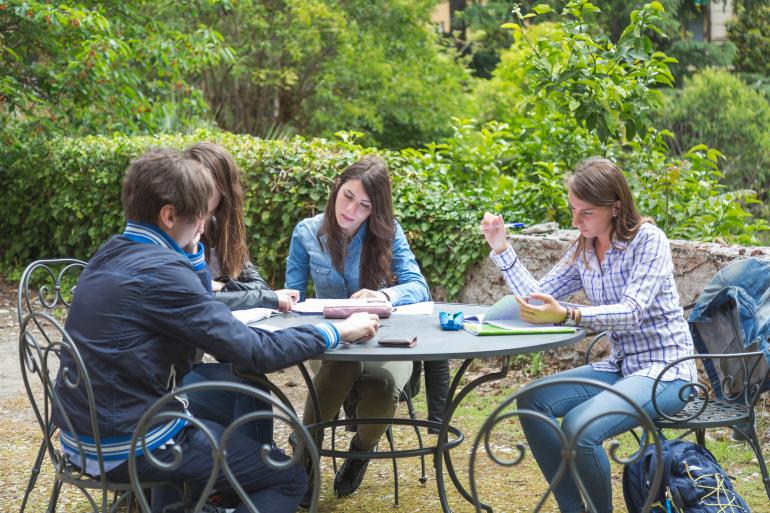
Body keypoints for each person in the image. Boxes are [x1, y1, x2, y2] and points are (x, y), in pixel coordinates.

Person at [51, 148, 380, 513]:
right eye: (203, 215)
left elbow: (199, 302)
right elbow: (257, 352)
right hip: (135, 442)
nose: (206, 225)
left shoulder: (111, 252)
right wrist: (338, 332)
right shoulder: (162, 274)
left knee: (211, 422)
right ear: (169, 215)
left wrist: (192, 254)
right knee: (288, 478)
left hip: (83, 435)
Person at [480, 157, 696, 513]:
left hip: (667, 371)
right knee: (532, 400)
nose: (575, 221)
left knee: (581, 427)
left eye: (585, 213)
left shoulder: (649, 241)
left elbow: (631, 312)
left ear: (615, 207)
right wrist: (502, 248)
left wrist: (568, 313)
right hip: (621, 366)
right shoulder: (584, 247)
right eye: (573, 210)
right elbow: (538, 299)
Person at [285, 155, 448, 498]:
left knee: (382, 383)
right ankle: (305, 455)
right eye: (347, 196)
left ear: (374, 210)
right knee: (340, 370)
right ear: (336, 189)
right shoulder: (306, 232)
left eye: (364, 205)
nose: (351, 210)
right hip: (333, 339)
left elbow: (419, 287)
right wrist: (288, 303)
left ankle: (360, 452)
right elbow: (293, 299)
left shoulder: (387, 233)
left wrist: (384, 294)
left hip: (386, 338)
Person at [182, 142, 297, 446]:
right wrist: (266, 298)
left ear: (222, 192)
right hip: (160, 383)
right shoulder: (174, 232)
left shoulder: (215, 230)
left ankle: (248, 473)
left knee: (246, 376)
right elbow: (198, 301)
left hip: (185, 363)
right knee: (248, 385)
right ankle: (259, 472)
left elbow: (256, 285)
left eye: (207, 185)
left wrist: (224, 286)